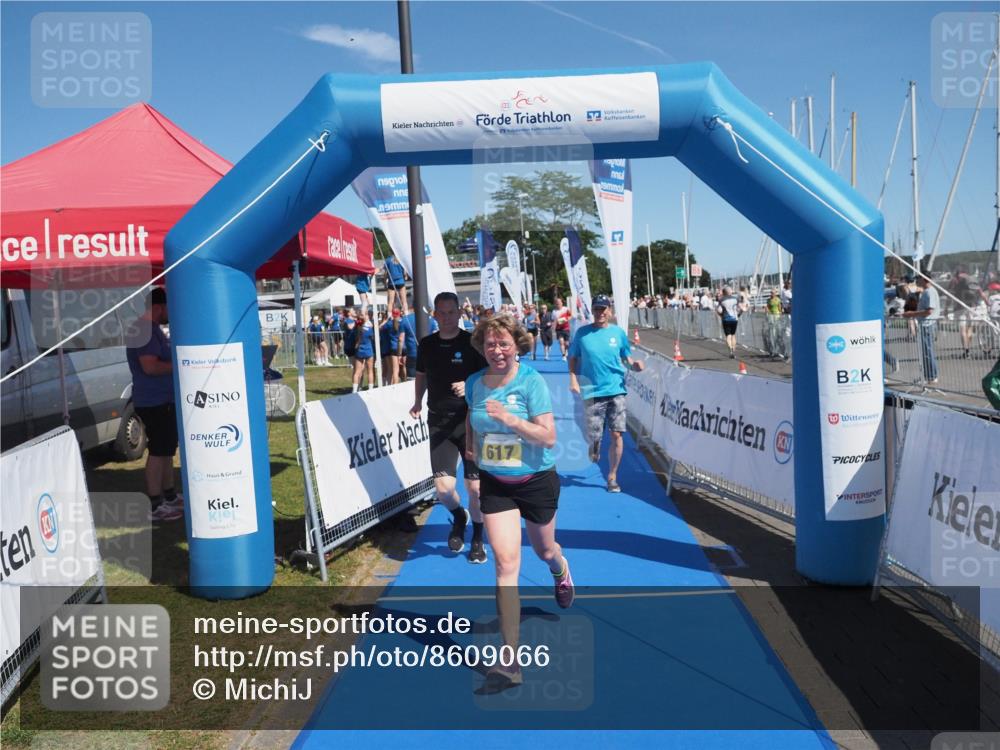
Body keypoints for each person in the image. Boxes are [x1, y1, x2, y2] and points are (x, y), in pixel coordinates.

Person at [465, 314, 572, 689]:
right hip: (497, 484)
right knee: (505, 563)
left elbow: (548, 438)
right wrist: (471, 451)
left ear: (517, 346)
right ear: (482, 346)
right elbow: (472, 418)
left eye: (504, 343)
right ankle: (510, 659)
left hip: (536, 480)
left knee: (545, 550)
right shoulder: (475, 382)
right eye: (490, 344)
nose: (497, 350)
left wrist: (510, 419)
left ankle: (560, 568)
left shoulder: (532, 382)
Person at [410, 292, 489, 562]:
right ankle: (459, 517)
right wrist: (417, 402)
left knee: (476, 489)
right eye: (441, 313)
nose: (446, 318)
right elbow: (421, 375)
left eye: (451, 312)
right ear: (434, 315)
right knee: (443, 489)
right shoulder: (427, 344)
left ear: (459, 313)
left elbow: (488, 378)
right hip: (439, 422)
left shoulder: (472, 343)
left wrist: (469, 385)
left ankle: (478, 539)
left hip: (470, 422)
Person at [567, 294, 645, 493]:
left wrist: (634, 365)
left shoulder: (618, 333)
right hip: (592, 392)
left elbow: (627, 359)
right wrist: (573, 379)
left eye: (604, 309)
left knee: (616, 433)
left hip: (616, 389)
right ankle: (594, 445)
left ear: (609, 311)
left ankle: (612, 476)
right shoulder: (582, 333)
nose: (600, 313)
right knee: (594, 436)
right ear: (592, 311)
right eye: (597, 309)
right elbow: (573, 358)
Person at [125, 288, 183, 522]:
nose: (172, 313)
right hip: (153, 401)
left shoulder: (154, 329)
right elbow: (150, 367)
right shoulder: (144, 330)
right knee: (159, 451)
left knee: (167, 449)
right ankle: (154, 504)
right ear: (159, 307)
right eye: (170, 308)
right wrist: (181, 365)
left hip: (163, 400)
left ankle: (168, 496)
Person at [904, 275, 940, 384]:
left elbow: (929, 311)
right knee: (926, 351)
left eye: (918, 279)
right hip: (926, 324)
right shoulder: (927, 291)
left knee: (927, 351)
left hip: (927, 325)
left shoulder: (929, 292)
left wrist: (912, 313)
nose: (916, 281)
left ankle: (931, 377)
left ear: (925, 279)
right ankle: (929, 376)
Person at [351, 310, 376, 392]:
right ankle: (370, 389)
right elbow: (372, 337)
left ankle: (354, 390)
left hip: (359, 350)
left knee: (357, 371)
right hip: (368, 350)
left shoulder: (357, 327)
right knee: (370, 371)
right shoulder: (369, 328)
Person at [380, 310, 405, 385]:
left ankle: (394, 386)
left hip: (393, 347)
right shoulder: (403, 322)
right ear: (399, 314)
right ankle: (404, 382)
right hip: (403, 347)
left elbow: (380, 328)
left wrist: (386, 320)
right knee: (403, 368)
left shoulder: (389, 324)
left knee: (395, 370)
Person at [716, 286, 741, 359]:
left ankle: (730, 350)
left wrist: (721, 316)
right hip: (734, 319)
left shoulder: (721, 300)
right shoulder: (735, 299)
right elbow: (739, 308)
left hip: (726, 319)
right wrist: (739, 314)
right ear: (730, 292)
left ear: (724, 293)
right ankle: (733, 349)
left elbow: (718, 310)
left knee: (728, 336)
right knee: (733, 335)